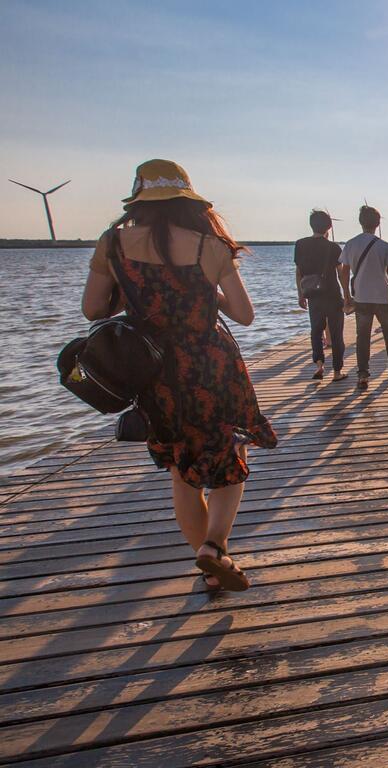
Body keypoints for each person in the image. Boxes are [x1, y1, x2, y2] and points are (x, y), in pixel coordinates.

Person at [80, 159, 277, 592]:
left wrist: (130, 294)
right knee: (230, 458)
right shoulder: (210, 246)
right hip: (212, 363)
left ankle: (208, 564)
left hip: (155, 371)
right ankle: (215, 547)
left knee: (181, 469)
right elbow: (244, 315)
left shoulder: (112, 244)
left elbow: (94, 310)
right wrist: (211, 294)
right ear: (188, 201)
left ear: (139, 200)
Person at [339, 205, 388, 390]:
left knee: (363, 337)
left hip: (361, 297)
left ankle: (362, 374)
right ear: (378, 223)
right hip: (383, 297)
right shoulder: (384, 246)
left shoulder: (350, 244)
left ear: (360, 222)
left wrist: (346, 294)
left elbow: (344, 272)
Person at [294, 209, 347, 381]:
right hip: (332, 294)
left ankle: (319, 365)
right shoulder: (333, 247)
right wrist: (347, 295)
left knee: (316, 331)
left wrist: (301, 294)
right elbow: (340, 273)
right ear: (329, 227)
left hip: (313, 294)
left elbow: (299, 272)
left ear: (311, 225)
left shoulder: (300, 244)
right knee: (337, 333)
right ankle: (337, 372)